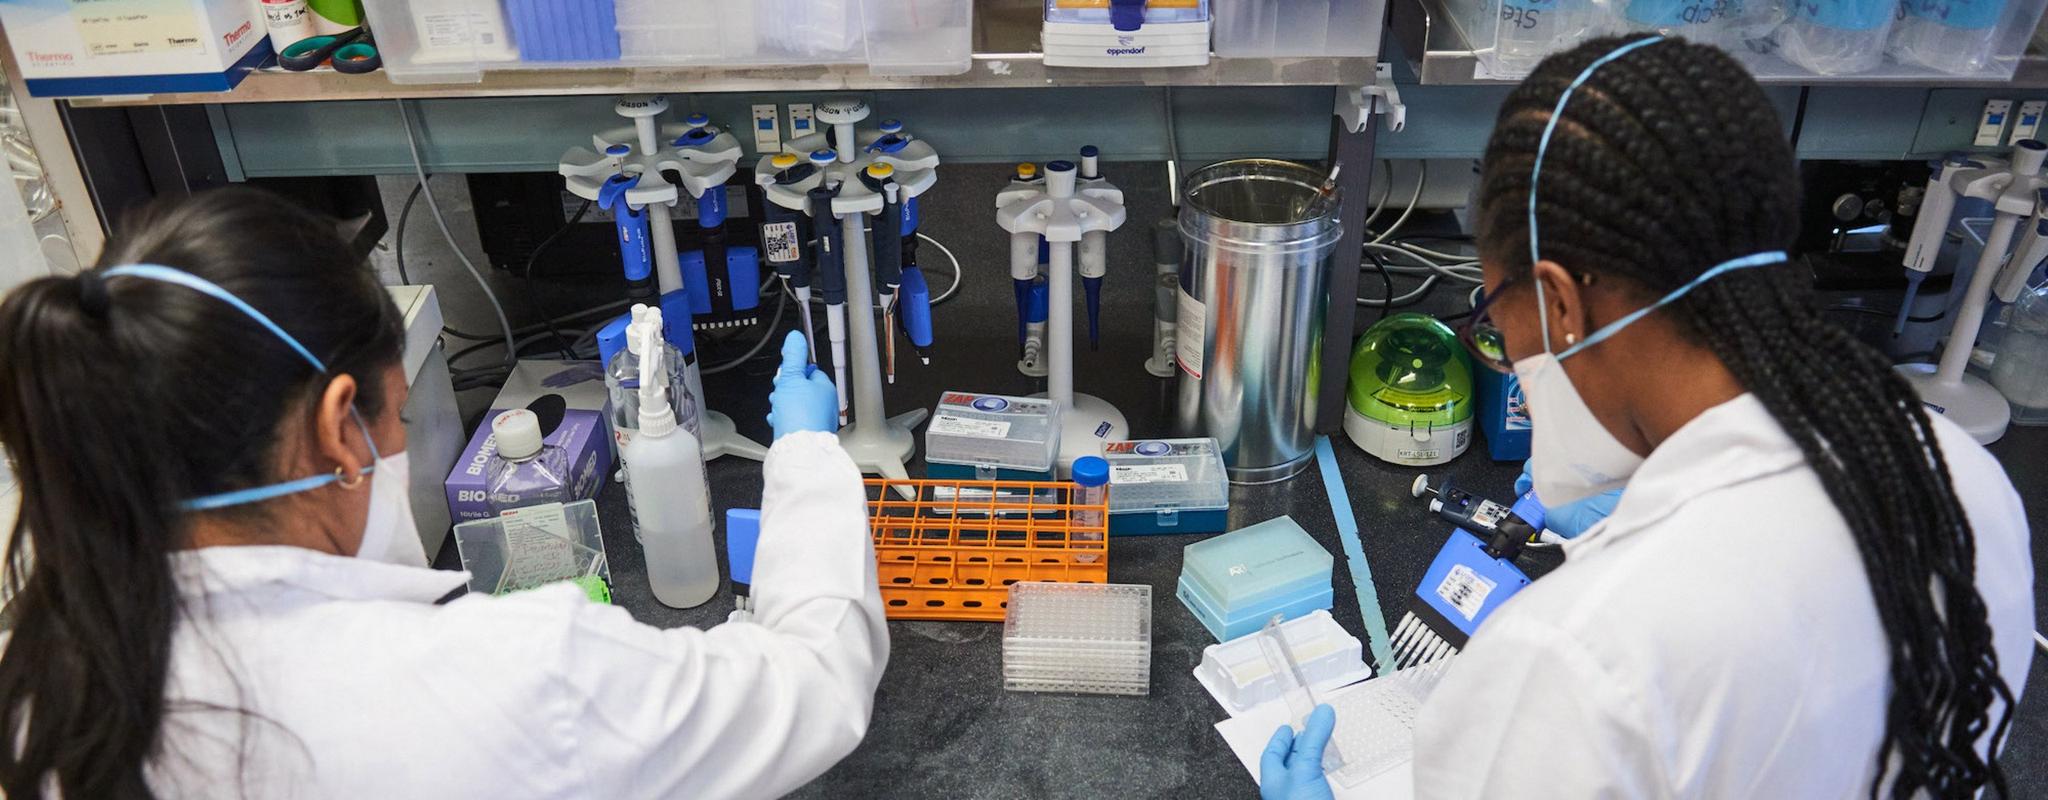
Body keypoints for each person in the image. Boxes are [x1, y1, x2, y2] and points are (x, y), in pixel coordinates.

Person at [0, 188, 881, 799]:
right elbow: (813, 683)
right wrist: (804, 454)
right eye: (401, 420)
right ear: (339, 426)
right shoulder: (511, 680)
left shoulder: (56, 679)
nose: (399, 443)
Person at [1405, 35, 2034, 798]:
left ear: (1561, 303)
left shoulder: (1579, 655)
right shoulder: (1967, 482)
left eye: (1499, 328)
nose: (1507, 356)